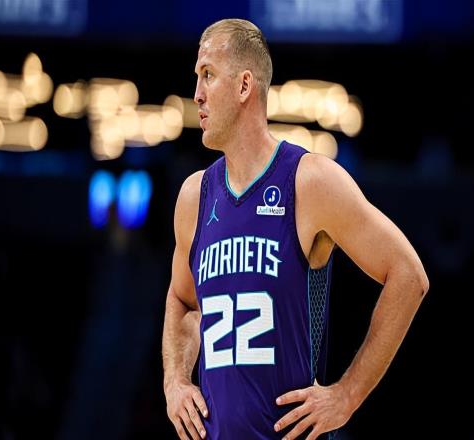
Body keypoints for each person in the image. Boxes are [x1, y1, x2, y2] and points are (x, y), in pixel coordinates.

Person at [162, 18, 429, 440]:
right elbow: (182, 299)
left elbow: (409, 276)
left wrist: (347, 395)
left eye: (208, 75)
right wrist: (175, 381)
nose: (196, 94)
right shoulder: (195, 196)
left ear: (244, 86)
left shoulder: (310, 181)